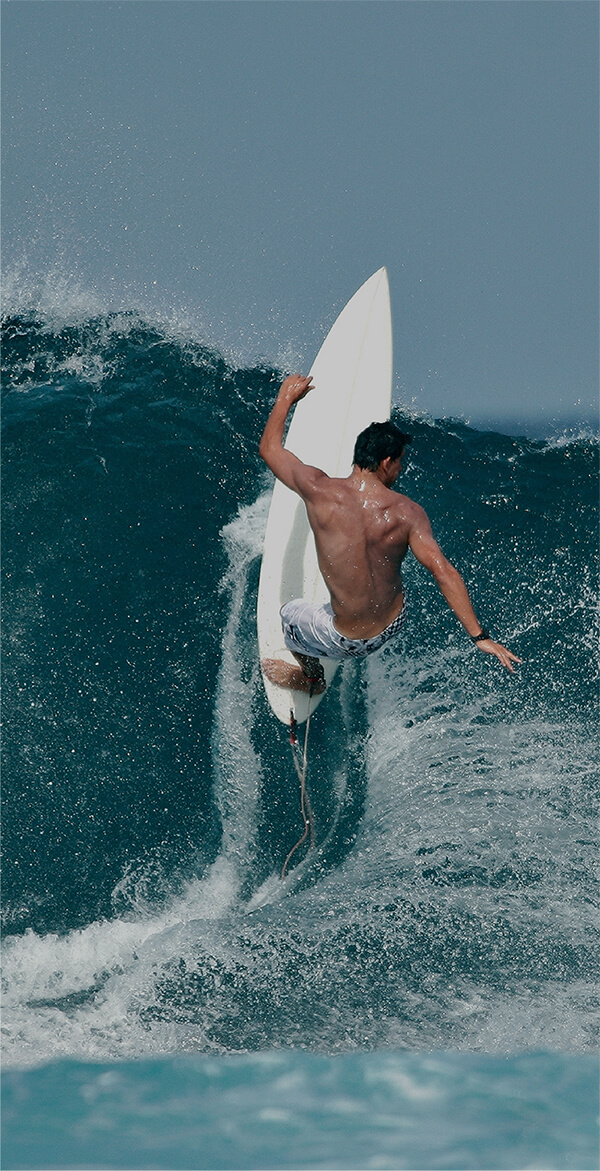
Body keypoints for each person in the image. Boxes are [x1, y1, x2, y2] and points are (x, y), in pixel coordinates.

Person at [259, 374, 521, 694]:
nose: (400, 469)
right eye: (399, 463)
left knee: (289, 614)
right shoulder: (408, 513)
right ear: (386, 462)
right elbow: (444, 572)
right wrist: (480, 637)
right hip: (393, 624)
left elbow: (269, 449)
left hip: (345, 639)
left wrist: (286, 397)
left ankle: (311, 679)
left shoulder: (319, 491)